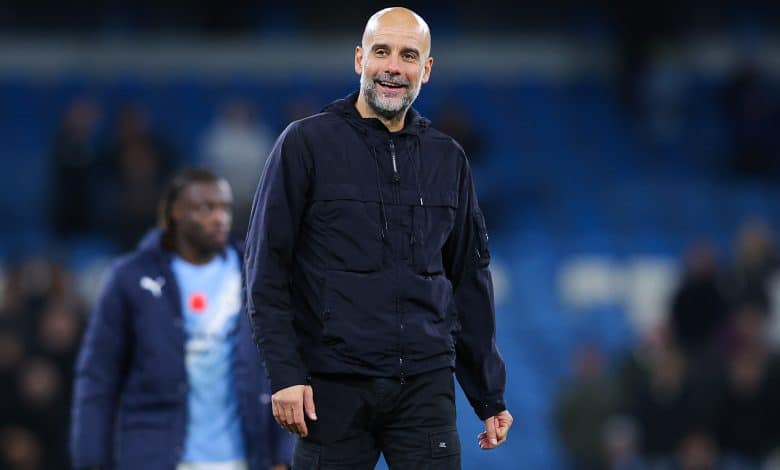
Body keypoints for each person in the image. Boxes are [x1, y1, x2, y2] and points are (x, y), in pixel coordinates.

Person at [244, 7, 512, 469]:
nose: (393, 66)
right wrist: (285, 374)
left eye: (409, 55)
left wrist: (488, 394)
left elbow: (468, 279)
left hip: (425, 386)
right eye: (381, 51)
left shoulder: (447, 159)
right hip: (332, 387)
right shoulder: (305, 144)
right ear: (358, 60)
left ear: (425, 70)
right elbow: (265, 269)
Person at [71, 168, 293, 470]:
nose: (220, 218)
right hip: (155, 457)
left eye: (225, 208)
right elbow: (99, 378)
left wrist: (283, 454)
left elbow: (286, 361)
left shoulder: (254, 274)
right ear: (175, 213)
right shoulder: (131, 278)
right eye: (206, 208)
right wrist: (91, 461)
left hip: (245, 457)